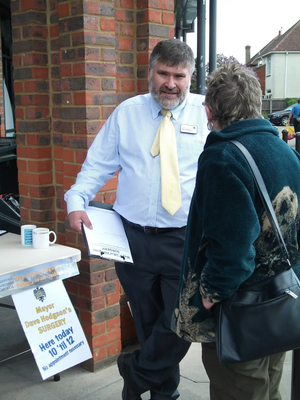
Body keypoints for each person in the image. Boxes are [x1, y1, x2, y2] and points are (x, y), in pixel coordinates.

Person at [64, 38, 209, 400]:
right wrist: (76, 201)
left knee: (182, 322)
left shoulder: (207, 113)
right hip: (134, 240)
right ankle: (164, 394)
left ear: (191, 76)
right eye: (163, 73)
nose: (170, 83)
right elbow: (96, 166)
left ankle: (137, 370)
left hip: (185, 239)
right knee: (147, 322)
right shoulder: (126, 114)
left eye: (179, 75)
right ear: (150, 72)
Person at [172, 63, 300, 400]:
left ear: (209, 111)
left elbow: (232, 252)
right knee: (268, 387)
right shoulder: (285, 151)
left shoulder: (222, 158)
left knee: (241, 390)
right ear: (257, 103)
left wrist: (209, 296)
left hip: (244, 310)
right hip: (280, 301)